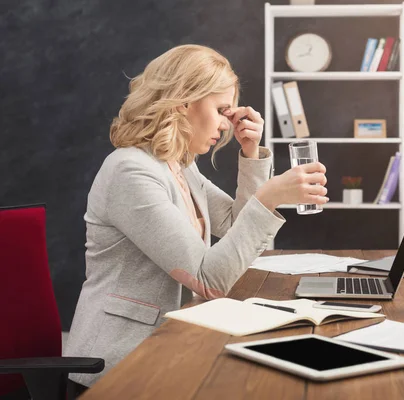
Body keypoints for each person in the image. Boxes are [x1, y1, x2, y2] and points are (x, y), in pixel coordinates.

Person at [64, 44, 329, 390]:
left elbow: (239, 233)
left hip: (175, 345)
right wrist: (268, 198)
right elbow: (210, 280)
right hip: (121, 367)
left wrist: (251, 156)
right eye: (221, 110)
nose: (225, 123)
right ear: (183, 101)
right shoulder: (131, 172)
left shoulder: (179, 166)